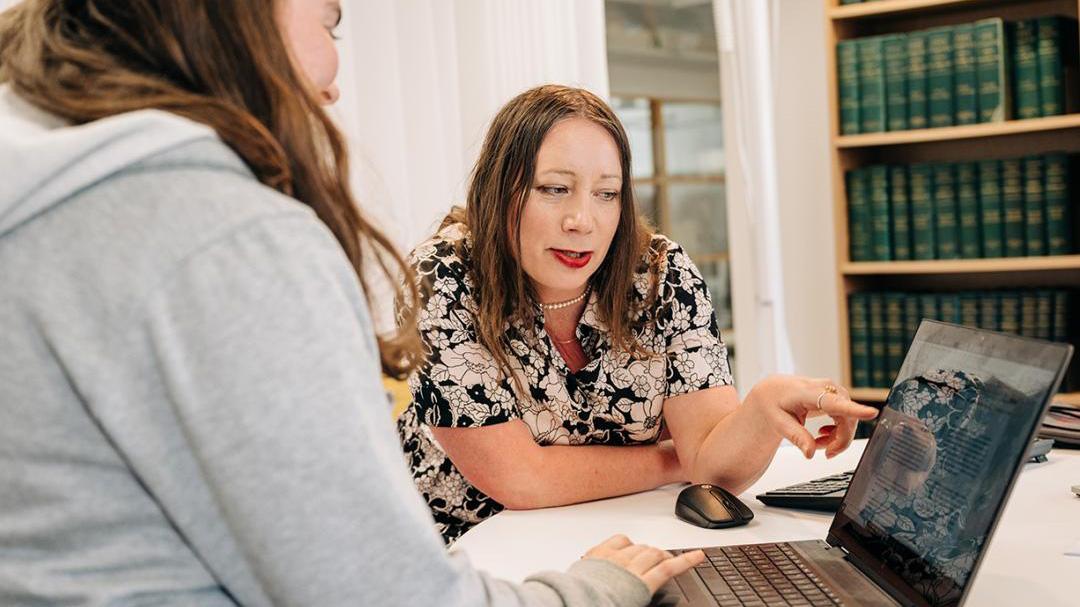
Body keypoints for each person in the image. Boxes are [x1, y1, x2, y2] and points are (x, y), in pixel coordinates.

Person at [0, 1, 704, 605]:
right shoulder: (226, 242)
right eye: (330, 23)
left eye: (606, 193)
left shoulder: (43, 201)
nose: (333, 82)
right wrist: (592, 589)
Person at [397, 84, 881, 544]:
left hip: (614, 530)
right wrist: (675, 462)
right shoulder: (440, 278)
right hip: (453, 551)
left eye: (606, 193)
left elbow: (713, 469)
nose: (582, 221)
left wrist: (763, 405)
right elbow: (520, 480)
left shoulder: (662, 277)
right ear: (499, 191)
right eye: (553, 188)